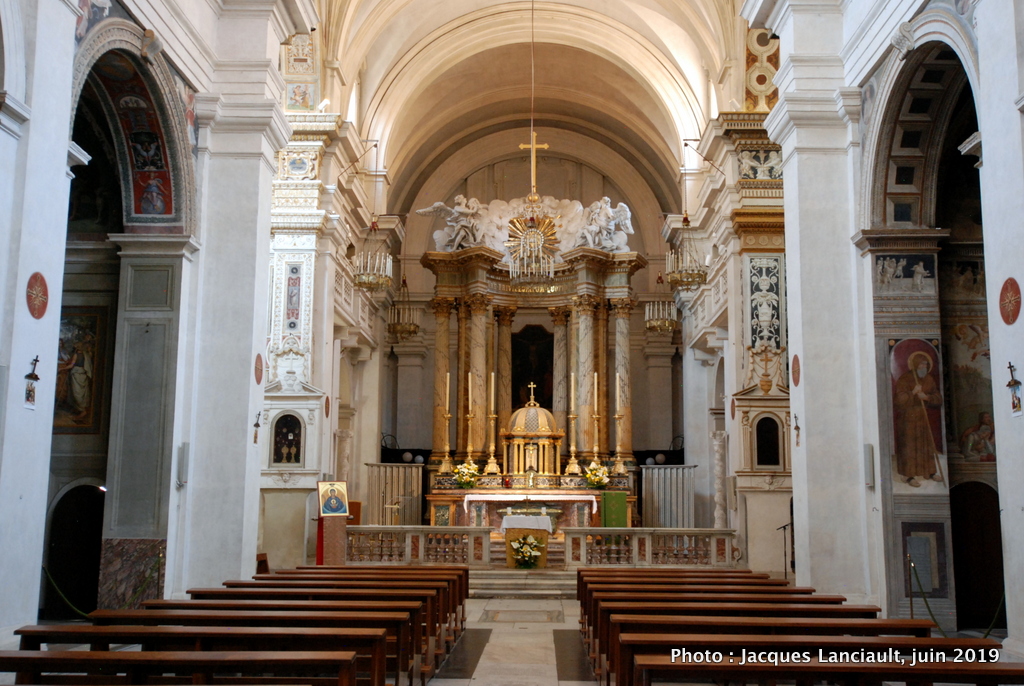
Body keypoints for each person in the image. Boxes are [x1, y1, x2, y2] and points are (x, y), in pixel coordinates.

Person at [893, 351, 943, 486]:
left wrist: (926, 397)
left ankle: (930, 472)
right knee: (909, 446)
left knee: (926, 445)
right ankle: (908, 475)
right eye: (921, 364)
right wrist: (913, 393)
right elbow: (898, 400)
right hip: (907, 418)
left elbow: (938, 398)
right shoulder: (905, 379)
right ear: (915, 365)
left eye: (926, 364)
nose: (924, 367)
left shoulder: (929, 379)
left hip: (922, 416)